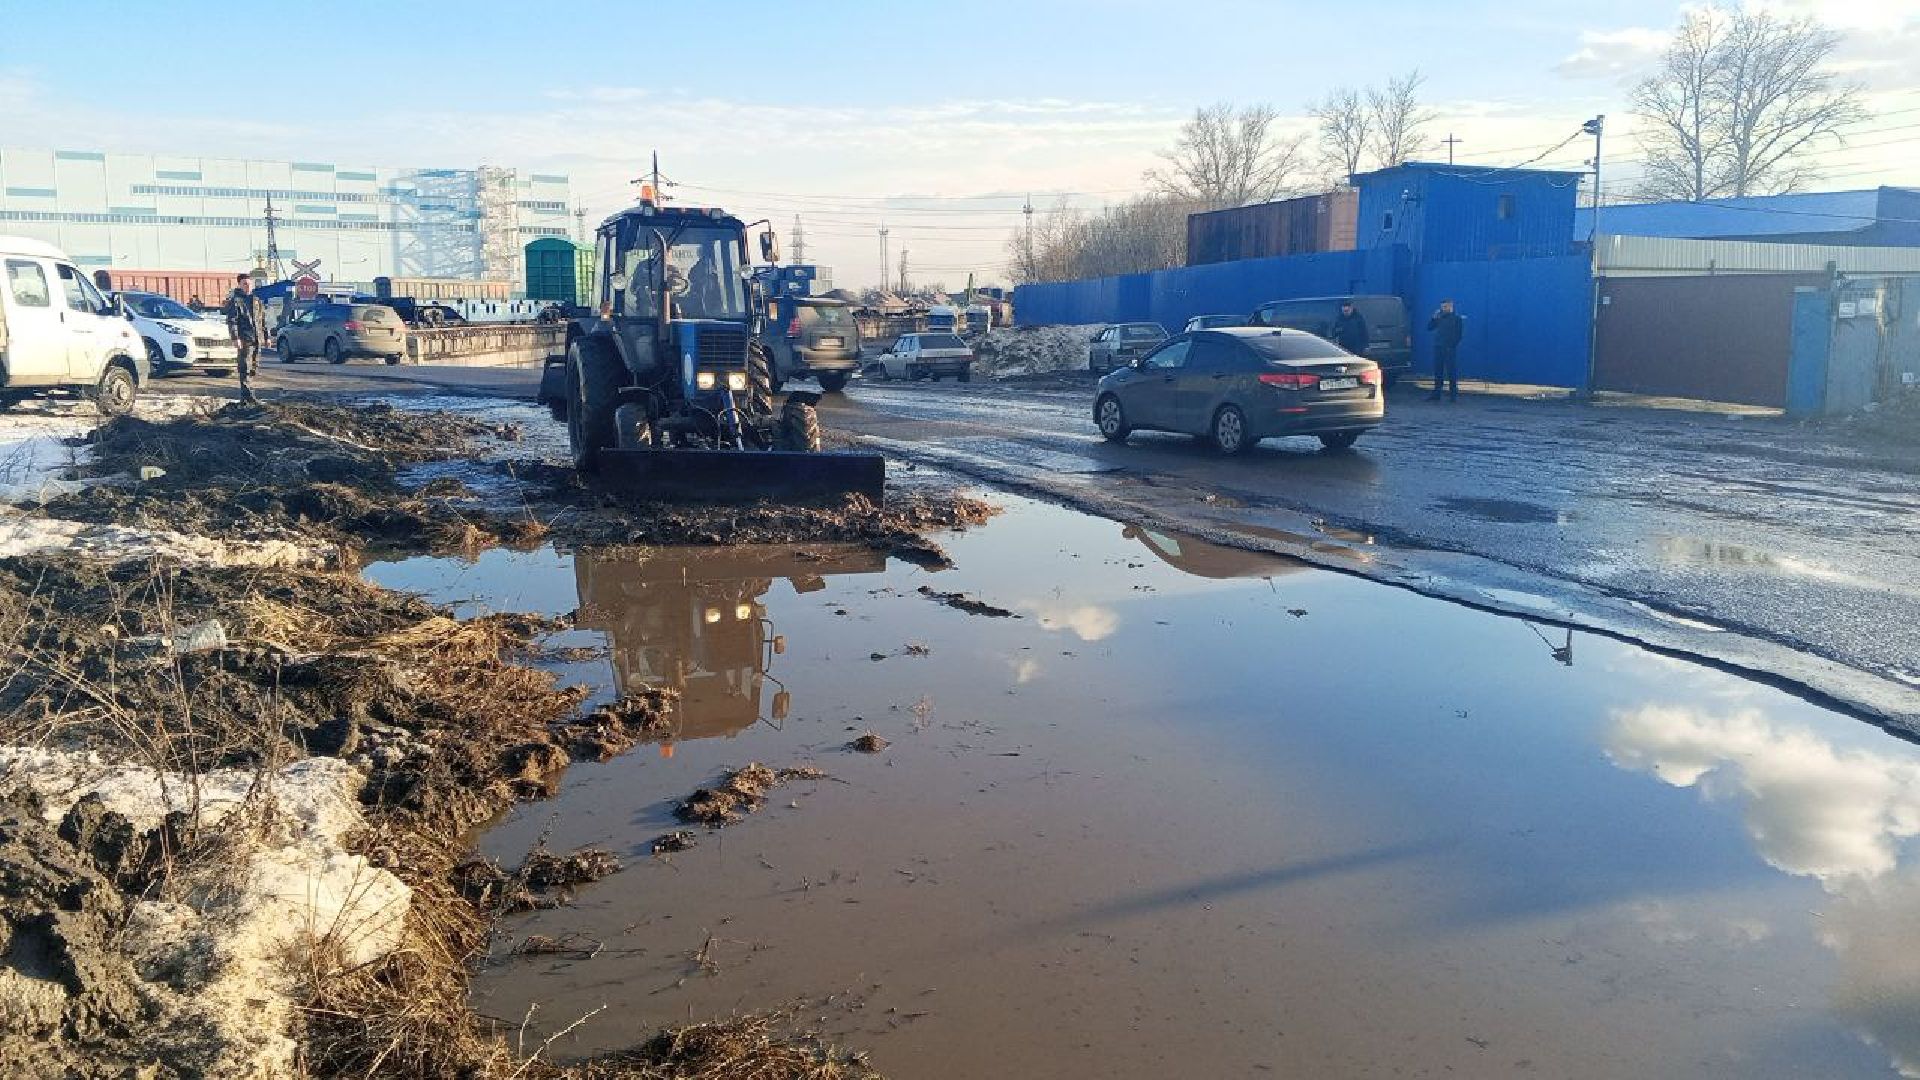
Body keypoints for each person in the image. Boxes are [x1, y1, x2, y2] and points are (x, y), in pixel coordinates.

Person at [222, 273, 265, 404]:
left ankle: (248, 393)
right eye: (245, 284)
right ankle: (246, 396)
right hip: (244, 338)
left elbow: (262, 320)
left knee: (254, 367)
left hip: (257, 338)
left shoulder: (256, 300)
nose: (248, 286)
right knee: (244, 367)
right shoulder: (236, 301)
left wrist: (266, 336)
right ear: (239, 285)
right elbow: (232, 321)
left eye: (249, 283)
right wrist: (235, 338)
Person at [1427, 298, 1465, 401]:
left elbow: (1459, 335)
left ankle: (1453, 395)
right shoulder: (1439, 317)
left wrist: (1451, 346)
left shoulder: (1457, 319)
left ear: (1450, 306)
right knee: (1438, 371)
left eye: (1445, 307)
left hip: (1449, 349)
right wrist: (1433, 318)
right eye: (1442, 307)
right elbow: (1429, 328)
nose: (1443, 309)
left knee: (1451, 371)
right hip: (1438, 347)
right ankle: (1436, 394)